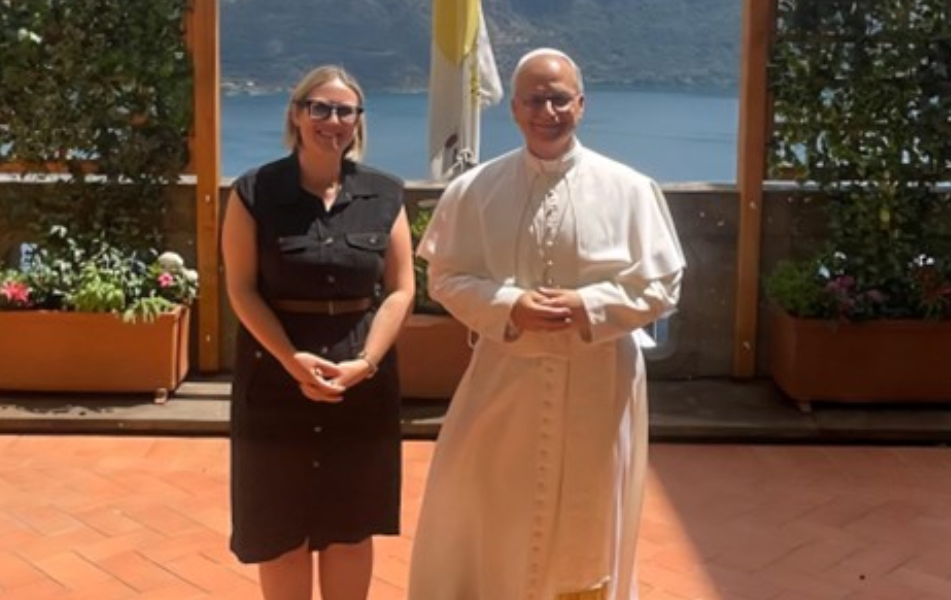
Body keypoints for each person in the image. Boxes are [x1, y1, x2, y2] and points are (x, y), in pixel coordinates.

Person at [407, 48, 686, 600]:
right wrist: (510, 304)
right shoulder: (474, 190)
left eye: (560, 98)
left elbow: (662, 286)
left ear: (581, 104)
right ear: (513, 108)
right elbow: (446, 278)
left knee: (592, 516)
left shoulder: (630, 190)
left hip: (600, 378)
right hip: (506, 380)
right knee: (490, 507)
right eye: (535, 99)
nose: (548, 110)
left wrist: (588, 306)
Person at [222, 65, 414, 600]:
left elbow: (400, 290)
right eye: (320, 108)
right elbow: (241, 290)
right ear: (297, 114)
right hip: (275, 378)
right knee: (280, 526)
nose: (332, 120)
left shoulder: (385, 193)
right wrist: (289, 359)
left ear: (358, 121)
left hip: (361, 380)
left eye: (344, 110)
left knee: (351, 526)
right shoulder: (254, 192)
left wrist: (367, 362)